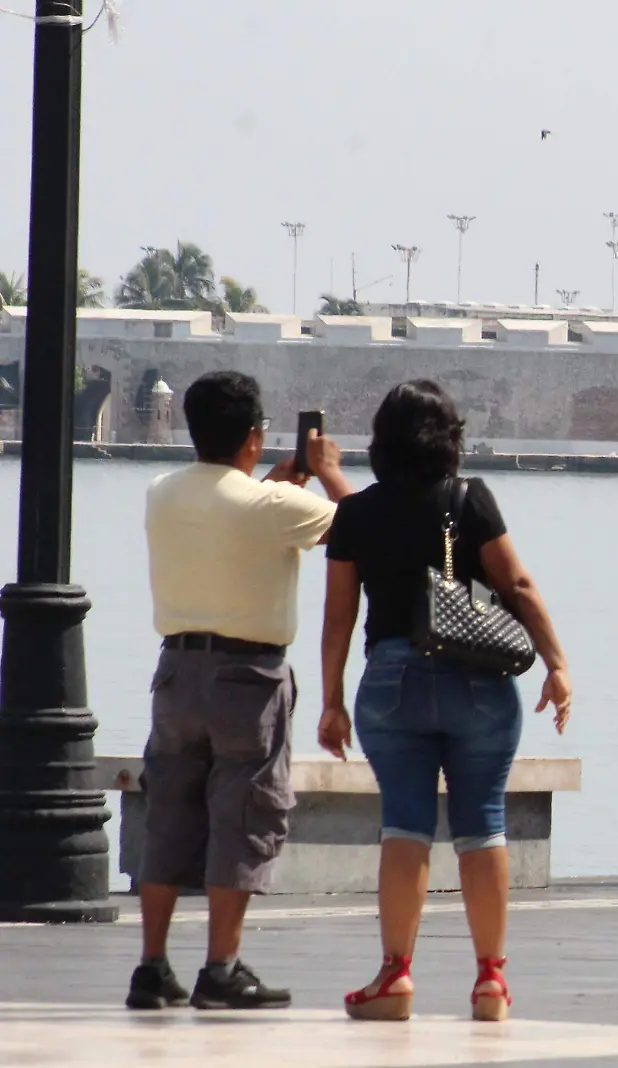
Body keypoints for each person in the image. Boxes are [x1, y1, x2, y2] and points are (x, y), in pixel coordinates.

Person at [316, 380, 573, 1022]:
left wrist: (330, 702)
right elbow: (516, 583)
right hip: (479, 681)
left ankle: (395, 976)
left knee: (404, 825)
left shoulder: (356, 515)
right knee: (482, 823)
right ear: (449, 439)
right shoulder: (469, 498)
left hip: (393, 680)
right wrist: (557, 664)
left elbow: (339, 619)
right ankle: (490, 981)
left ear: (381, 442)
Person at [130, 370, 350, 1011]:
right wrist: (327, 468)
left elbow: (231, 509)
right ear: (255, 436)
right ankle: (221, 967)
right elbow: (357, 525)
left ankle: (152, 966)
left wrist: (271, 482)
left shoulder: (159, 491)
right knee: (244, 815)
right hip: (247, 679)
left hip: (174, 670)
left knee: (168, 811)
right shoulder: (275, 507)